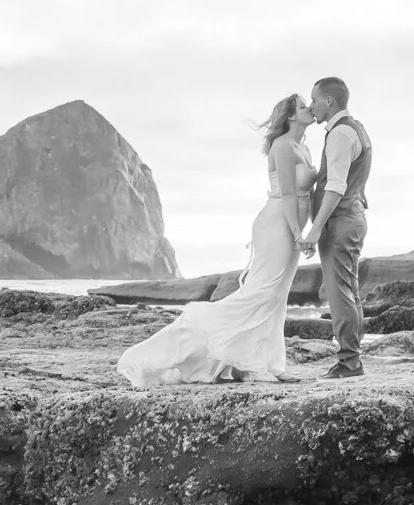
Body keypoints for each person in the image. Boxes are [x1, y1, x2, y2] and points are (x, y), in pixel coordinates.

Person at [116, 95, 317, 387]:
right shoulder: (283, 145)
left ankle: (270, 363)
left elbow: (306, 194)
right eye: (302, 107)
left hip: (292, 225)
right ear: (290, 117)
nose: (309, 109)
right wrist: (300, 234)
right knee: (262, 292)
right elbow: (287, 194)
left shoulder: (305, 147)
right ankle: (251, 365)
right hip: (277, 224)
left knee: (277, 296)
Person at [298, 77, 370, 378]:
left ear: (329, 101)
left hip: (340, 222)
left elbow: (337, 185)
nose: (311, 105)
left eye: (314, 99)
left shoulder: (340, 134)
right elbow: (354, 176)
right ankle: (352, 357)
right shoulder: (357, 128)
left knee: (338, 292)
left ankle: (349, 362)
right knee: (348, 290)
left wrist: (316, 229)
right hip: (350, 218)